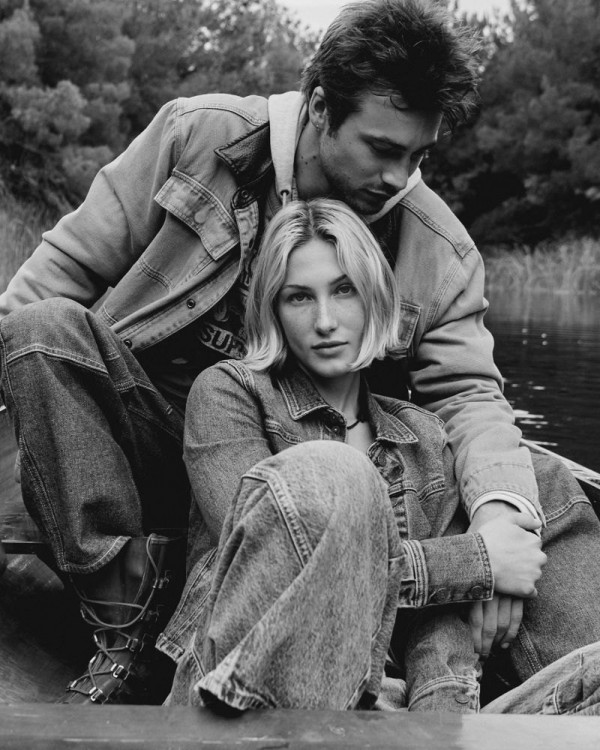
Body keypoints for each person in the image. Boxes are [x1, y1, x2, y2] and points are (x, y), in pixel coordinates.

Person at [0, 0, 599, 704]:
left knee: (537, 484)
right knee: (39, 328)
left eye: (418, 157)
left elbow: (469, 397)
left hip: (322, 459)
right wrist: (473, 563)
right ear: (319, 107)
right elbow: (51, 280)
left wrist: (501, 526)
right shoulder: (197, 137)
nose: (400, 177)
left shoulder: (439, 247)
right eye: (382, 149)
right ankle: (124, 612)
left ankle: (574, 687)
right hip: (143, 458)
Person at [170, 197, 548, 712]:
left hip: (387, 706)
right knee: (340, 470)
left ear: (375, 297)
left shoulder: (421, 435)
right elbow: (275, 556)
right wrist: (478, 563)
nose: (325, 321)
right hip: (245, 689)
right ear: (273, 311)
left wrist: (440, 718)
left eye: (344, 290)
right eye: (298, 298)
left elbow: (438, 628)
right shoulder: (229, 394)